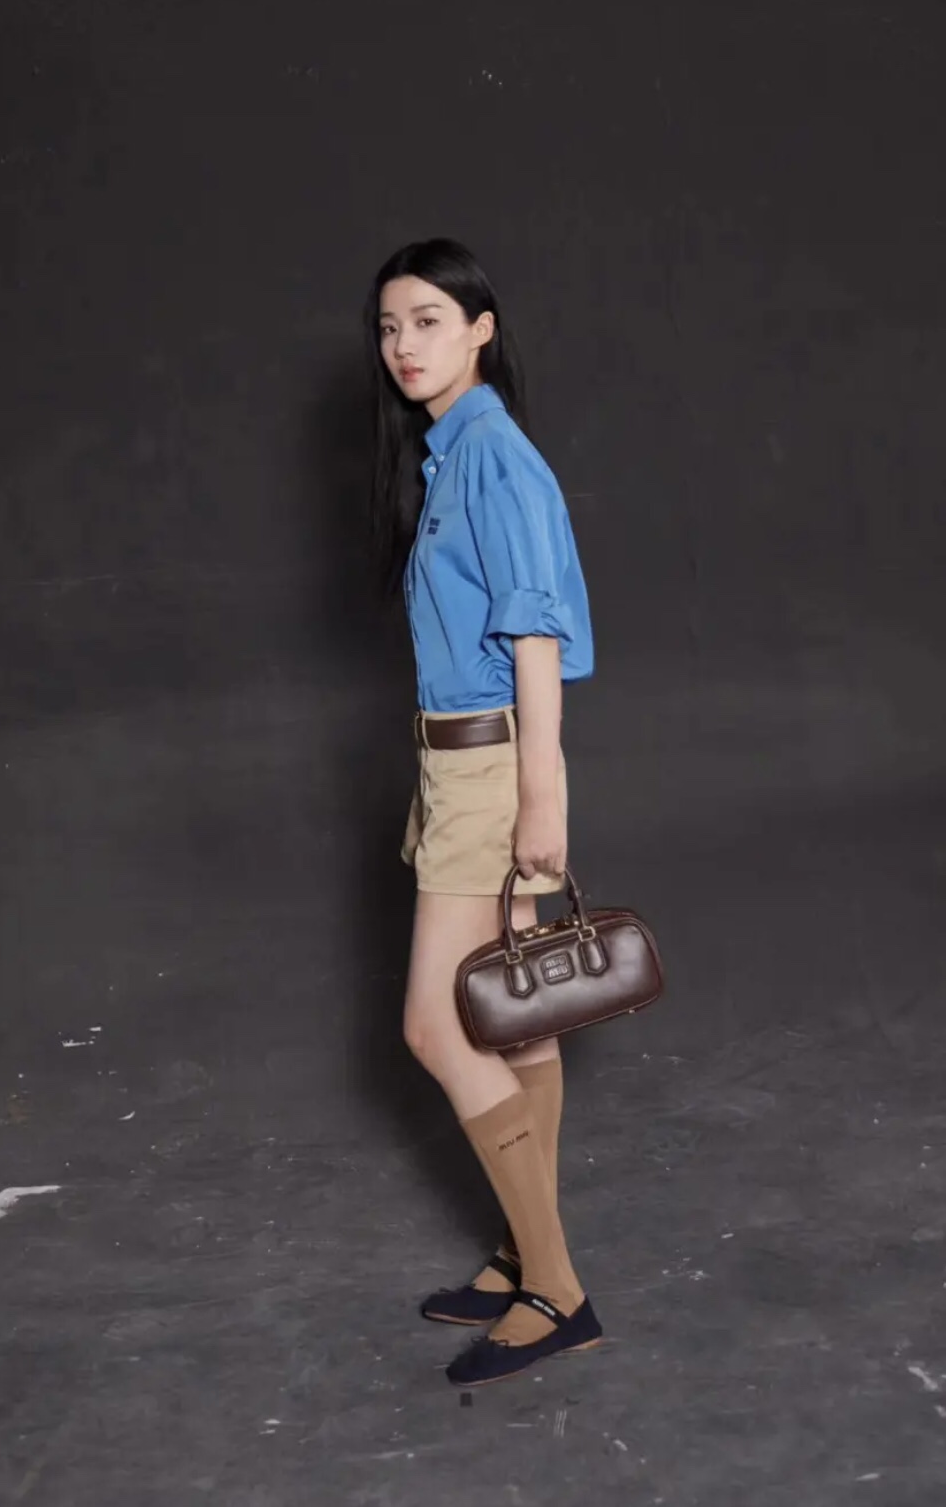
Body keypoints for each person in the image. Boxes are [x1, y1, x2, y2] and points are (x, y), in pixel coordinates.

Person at [364, 238, 602, 1386]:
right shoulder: (450, 453)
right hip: (456, 761)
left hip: (493, 769)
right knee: (520, 1022)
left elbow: (537, 635)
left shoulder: (495, 455)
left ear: (481, 329)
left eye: (427, 320)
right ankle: (521, 1256)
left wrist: (539, 796)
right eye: (389, 327)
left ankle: (557, 1289)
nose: (404, 345)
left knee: (436, 1026)